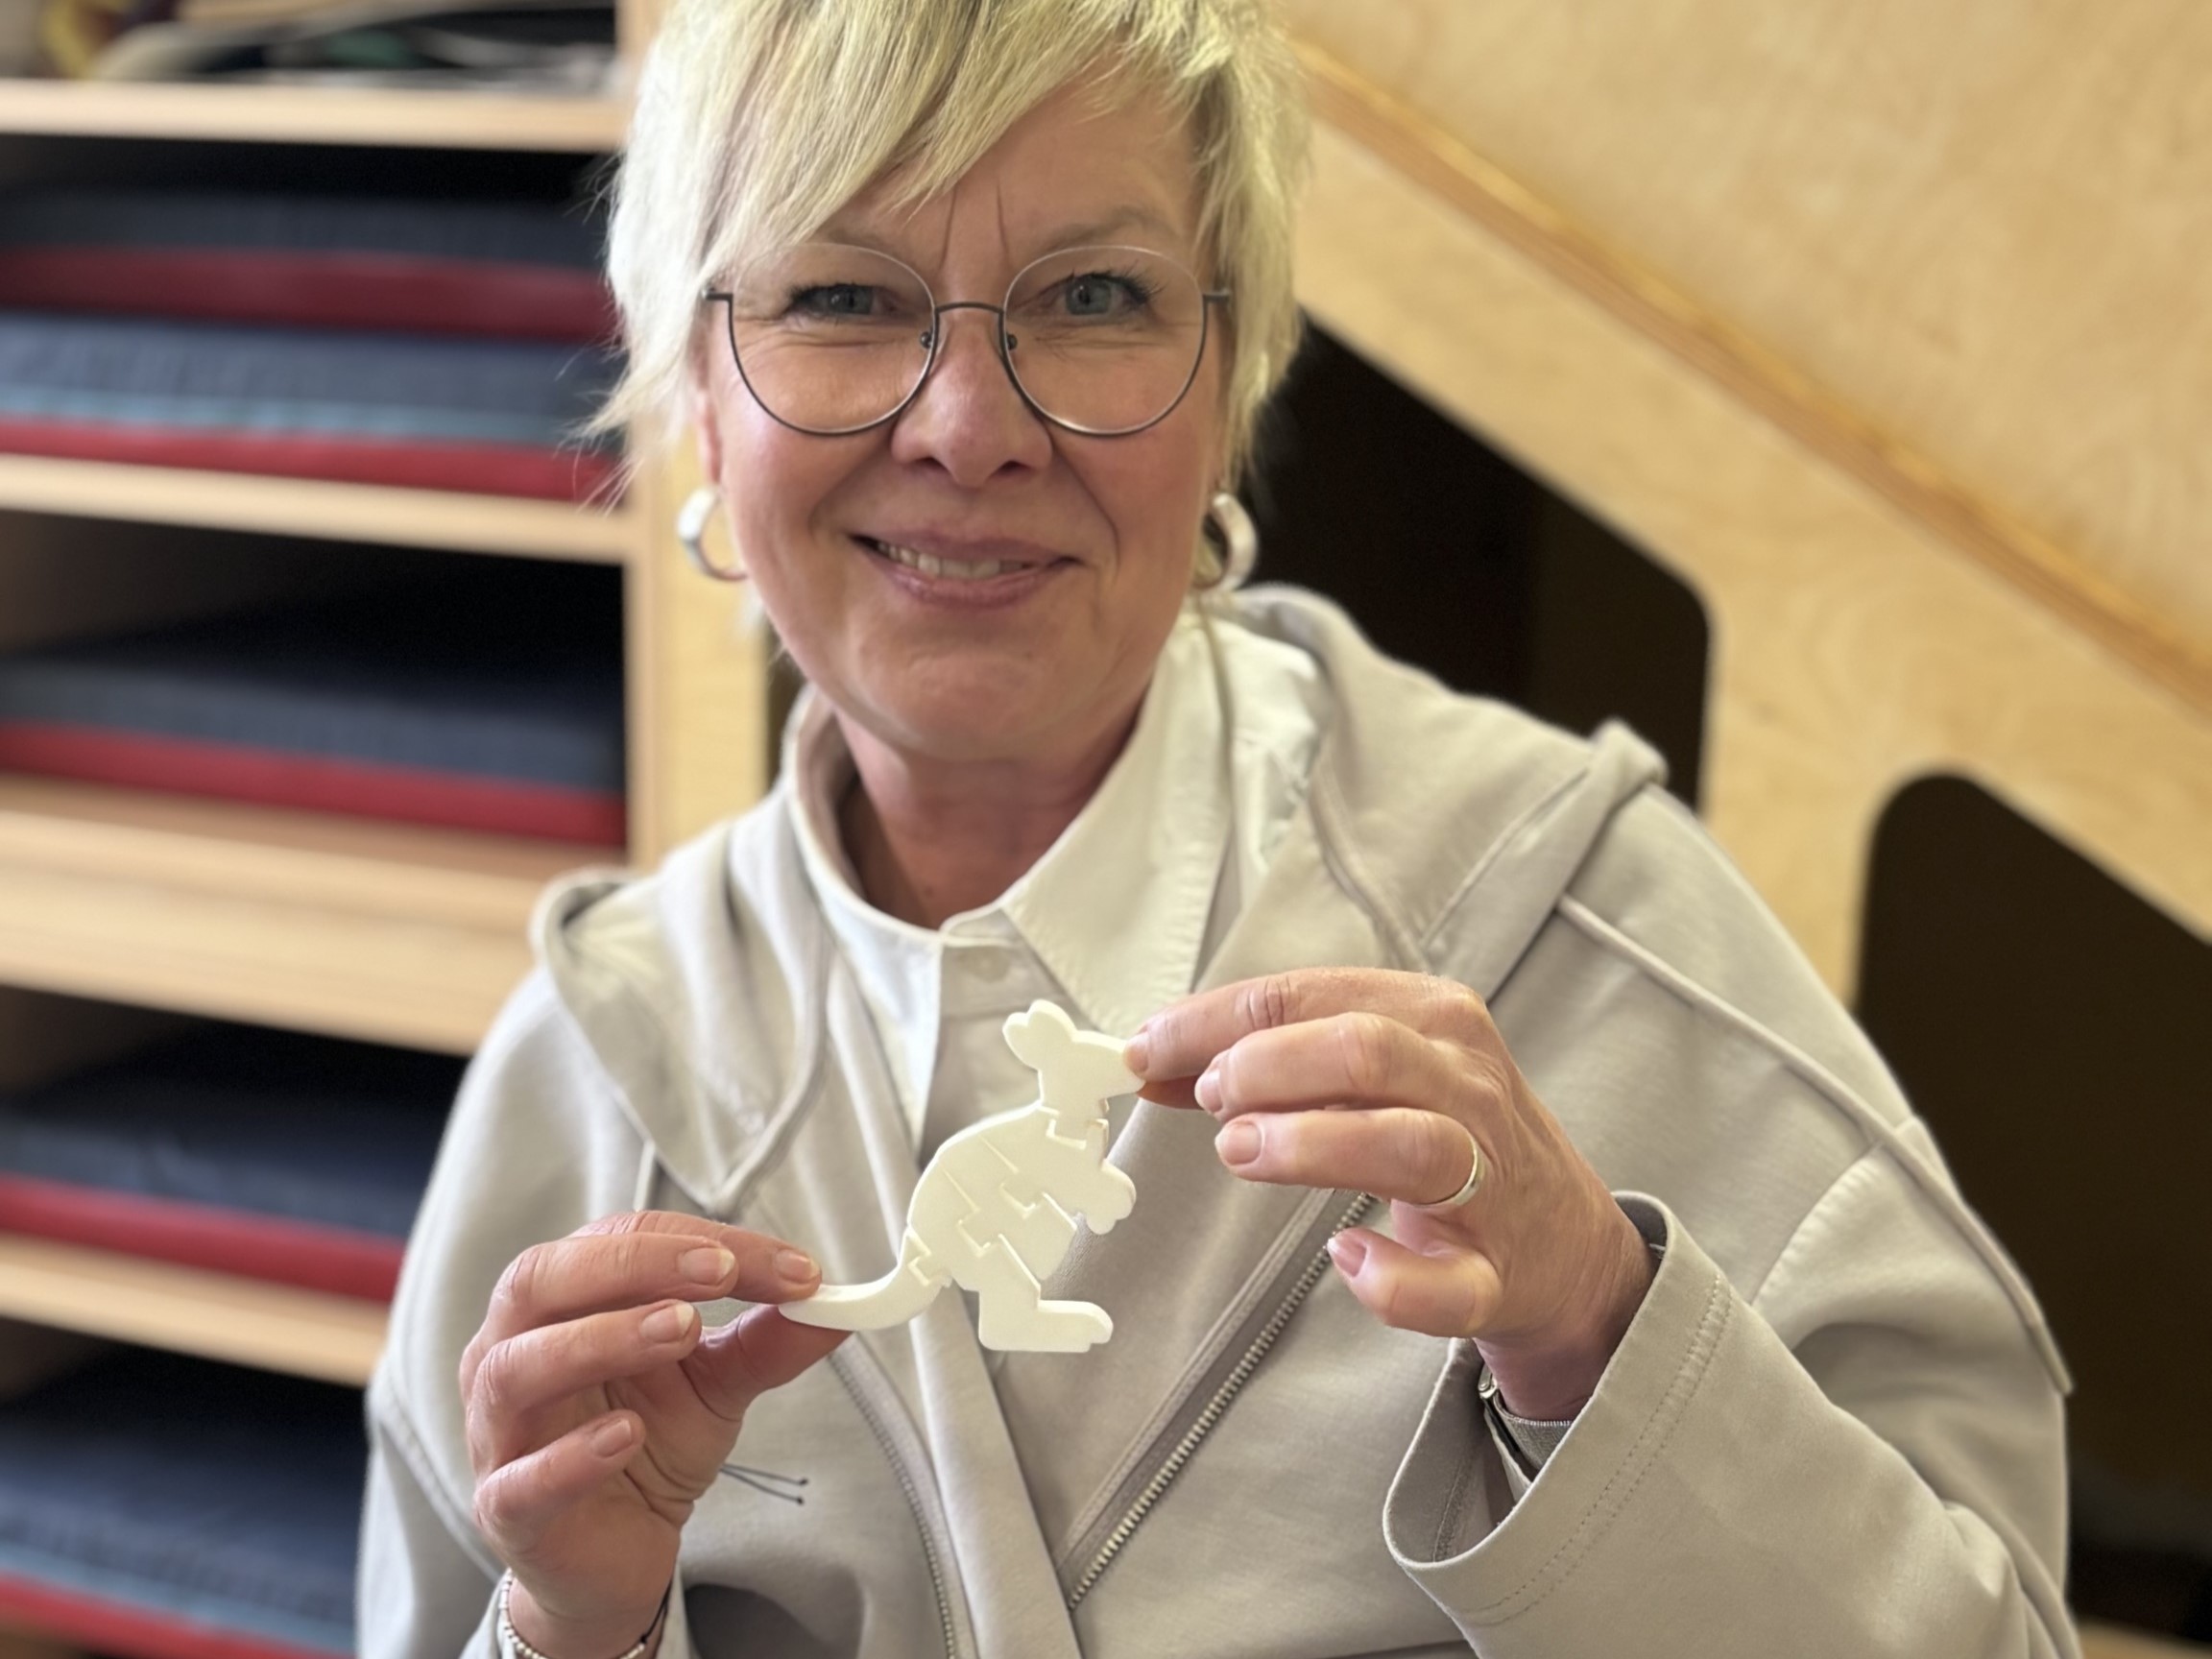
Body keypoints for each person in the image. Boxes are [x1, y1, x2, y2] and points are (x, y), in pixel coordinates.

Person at [357, 2, 2080, 1655]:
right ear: (696, 392)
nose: (968, 430)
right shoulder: (592, 1074)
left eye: (1095, 296)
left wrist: (1596, 1343)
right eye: (843, 297)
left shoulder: (1587, 925)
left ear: (1232, 379)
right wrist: (573, 1630)